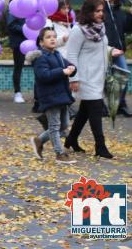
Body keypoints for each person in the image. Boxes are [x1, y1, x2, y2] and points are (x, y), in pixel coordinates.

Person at [65, 0, 123, 159]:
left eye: (102, 10)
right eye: (97, 11)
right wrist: (73, 78)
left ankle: (71, 139)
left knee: (85, 110)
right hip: (85, 77)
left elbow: (101, 47)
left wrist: (111, 51)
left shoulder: (100, 27)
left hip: (98, 75)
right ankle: (100, 146)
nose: (100, 14)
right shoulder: (78, 30)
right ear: (89, 11)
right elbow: (71, 54)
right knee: (96, 109)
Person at [27, 27, 77, 164]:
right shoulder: (40, 57)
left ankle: (39, 140)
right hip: (50, 96)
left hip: (62, 96)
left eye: (54, 36)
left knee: (64, 124)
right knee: (55, 126)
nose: (53, 39)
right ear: (42, 42)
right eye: (48, 37)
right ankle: (59, 154)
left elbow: (67, 66)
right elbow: (43, 76)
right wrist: (62, 71)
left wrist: (72, 68)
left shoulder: (58, 55)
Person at [104, 0, 132, 117]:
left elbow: (127, 28)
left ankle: (121, 105)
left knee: (124, 76)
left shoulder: (119, 11)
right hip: (105, 51)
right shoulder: (102, 12)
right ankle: (107, 106)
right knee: (106, 80)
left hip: (119, 51)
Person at [7, 0, 26, 104]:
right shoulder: (14, 8)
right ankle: (17, 93)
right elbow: (11, 25)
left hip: (31, 41)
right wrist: (25, 28)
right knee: (18, 67)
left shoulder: (30, 7)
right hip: (19, 43)